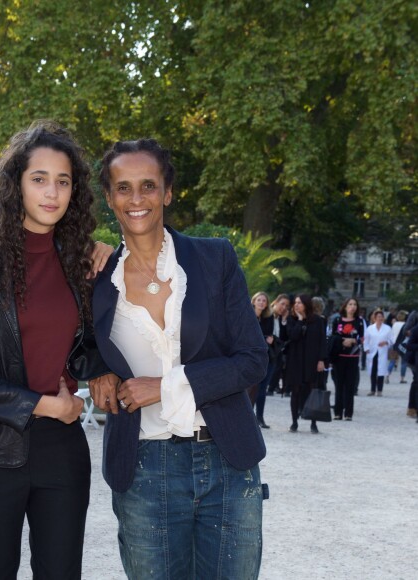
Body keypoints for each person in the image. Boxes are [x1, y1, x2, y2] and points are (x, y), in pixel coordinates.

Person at [88, 138, 268, 579]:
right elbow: (73, 342)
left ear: (167, 192)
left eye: (148, 185)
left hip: (227, 461)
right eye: (123, 187)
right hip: (145, 467)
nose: (137, 199)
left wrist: (166, 386)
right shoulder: (94, 277)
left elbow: (252, 360)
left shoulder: (214, 258)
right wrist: (94, 369)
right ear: (110, 198)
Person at [0, 121, 111, 580]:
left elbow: (90, 346)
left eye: (63, 181)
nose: (51, 192)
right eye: (39, 178)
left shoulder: (82, 262)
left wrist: (111, 255)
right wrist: (46, 405)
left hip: (61, 449)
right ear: (15, 183)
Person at [284, 294, 327, 434]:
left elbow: (322, 342)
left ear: (306, 304)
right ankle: (294, 422)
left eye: (300, 303)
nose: (296, 305)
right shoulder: (291, 319)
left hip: (312, 361)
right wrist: (300, 320)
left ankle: (313, 422)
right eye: (295, 303)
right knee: (295, 391)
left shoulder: (318, 321)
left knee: (312, 390)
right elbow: (293, 336)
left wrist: (321, 360)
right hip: (296, 361)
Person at [331, 298, 365, 420]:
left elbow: (362, 338)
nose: (352, 306)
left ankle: (348, 413)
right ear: (345, 306)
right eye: (350, 304)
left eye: (355, 304)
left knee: (350, 385)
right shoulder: (337, 320)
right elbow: (333, 337)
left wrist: (354, 340)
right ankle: (338, 412)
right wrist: (342, 341)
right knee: (339, 385)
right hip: (339, 356)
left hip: (352, 356)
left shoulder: (359, 321)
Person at [250, 292, 275, 427]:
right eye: (258, 300)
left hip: (265, 357)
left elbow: (269, 336)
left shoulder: (269, 317)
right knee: (250, 389)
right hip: (250, 357)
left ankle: (260, 417)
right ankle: (249, 417)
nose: (261, 302)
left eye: (264, 300)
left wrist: (265, 338)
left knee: (262, 388)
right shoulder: (247, 315)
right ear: (253, 301)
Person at [267, 293, 291, 396]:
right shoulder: (267, 315)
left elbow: (284, 336)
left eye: (286, 306)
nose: (284, 307)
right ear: (276, 302)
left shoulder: (282, 318)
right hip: (267, 347)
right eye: (282, 304)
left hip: (276, 348)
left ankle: (271, 388)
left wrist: (285, 320)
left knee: (279, 364)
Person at [364, 309, 392, 396]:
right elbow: (366, 340)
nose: (380, 318)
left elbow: (392, 340)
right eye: (378, 316)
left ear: (383, 318)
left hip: (382, 352)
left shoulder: (387, 328)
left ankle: (379, 390)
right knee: (373, 371)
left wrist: (386, 342)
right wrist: (366, 349)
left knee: (381, 371)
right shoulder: (370, 328)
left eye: (381, 316)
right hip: (372, 352)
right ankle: (372, 390)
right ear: (375, 318)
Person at [387, 310, 408, 384]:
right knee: (404, 362)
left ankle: (387, 376)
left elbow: (392, 334)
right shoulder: (406, 325)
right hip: (403, 345)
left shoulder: (394, 324)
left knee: (392, 361)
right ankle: (402, 378)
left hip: (394, 344)